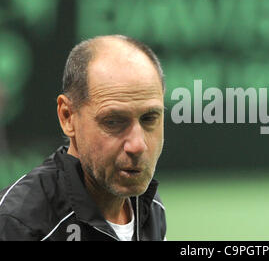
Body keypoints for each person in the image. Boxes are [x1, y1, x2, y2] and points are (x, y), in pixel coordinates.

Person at [0, 35, 166, 241]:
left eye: (149, 119)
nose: (137, 145)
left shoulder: (149, 205)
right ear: (68, 116)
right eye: (113, 121)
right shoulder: (20, 223)